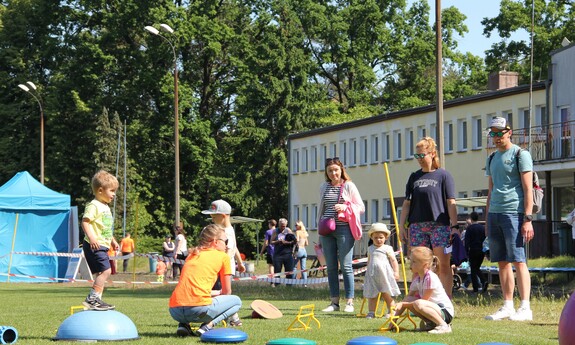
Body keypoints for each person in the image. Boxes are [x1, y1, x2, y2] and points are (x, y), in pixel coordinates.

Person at [484, 116, 534, 321]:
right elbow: (490, 190)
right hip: (494, 213)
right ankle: (507, 305)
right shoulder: (491, 158)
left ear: (509, 132)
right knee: (502, 262)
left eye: (499, 133)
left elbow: (528, 188)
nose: (496, 137)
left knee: (518, 260)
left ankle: (525, 307)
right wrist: (487, 219)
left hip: (514, 212)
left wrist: (528, 218)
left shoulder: (521, 154)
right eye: (492, 134)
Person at [398, 137, 459, 296]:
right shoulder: (414, 177)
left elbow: (451, 202)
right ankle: (418, 299)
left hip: (439, 225)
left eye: (422, 155)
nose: (419, 159)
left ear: (432, 154)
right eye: (416, 156)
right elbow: (407, 203)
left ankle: (446, 302)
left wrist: (455, 226)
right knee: (418, 266)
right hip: (417, 226)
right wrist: (401, 226)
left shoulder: (443, 176)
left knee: (442, 265)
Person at [168, 224, 242, 337]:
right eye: (225, 242)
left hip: (175, 311)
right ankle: (208, 326)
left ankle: (183, 325)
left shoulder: (192, 255)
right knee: (236, 301)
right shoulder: (223, 257)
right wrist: (220, 294)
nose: (227, 246)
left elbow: (193, 288)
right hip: (198, 310)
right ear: (215, 242)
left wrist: (216, 293)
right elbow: (227, 292)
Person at [318, 157, 365, 313]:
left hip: (344, 229)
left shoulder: (349, 186)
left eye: (336, 170)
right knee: (330, 267)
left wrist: (345, 207)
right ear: (326, 172)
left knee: (346, 266)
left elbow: (361, 207)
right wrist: (319, 228)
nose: (333, 173)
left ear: (341, 170)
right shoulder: (324, 187)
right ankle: (334, 302)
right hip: (326, 230)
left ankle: (350, 301)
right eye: (330, 170)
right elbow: (321, 208)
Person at [201, 199, 245, 326]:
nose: (212, 219)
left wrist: (230, 263)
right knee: (222, 293)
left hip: (223, 269)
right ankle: (233, 318)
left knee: (222, 293)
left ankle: (231, 317)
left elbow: (231, 249)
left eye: (214, 217)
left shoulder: (227, 232)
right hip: (219, 267)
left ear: (223, 216)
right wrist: (240, 263)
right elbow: (235, 246)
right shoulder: (223, 229)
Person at [81, 170, 119, 311]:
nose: (114, 194)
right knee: (106, 271)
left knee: (101, 273)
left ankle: (97, 301)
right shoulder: (94, 205)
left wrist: (113, 241)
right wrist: (92, 238)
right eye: (112, 191)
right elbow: (85, 222)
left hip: (103, 245)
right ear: (101, 190)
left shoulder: (105, 207)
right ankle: (92, 299)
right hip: (94, 245)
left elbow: (105, 228)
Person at [394, 246, 455, 334]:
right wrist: (394, 320)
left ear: (425, 265)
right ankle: (431, 323)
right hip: (433, 308)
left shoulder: (430, 277)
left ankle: (443, 325)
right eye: (411, 261)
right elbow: (407, 300)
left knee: (418, 303)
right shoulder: (418, 279)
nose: (410, 265)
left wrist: (403, 304)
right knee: (409, 300)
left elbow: (424, 301)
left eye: (414, 262)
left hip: (445, 312)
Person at [363, 223, 400, 319]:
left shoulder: (387, 248)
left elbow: (393, 260)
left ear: (386, 238)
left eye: (381, 237)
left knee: (386, 293)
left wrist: (396, 272)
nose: (378, 240)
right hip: (373, 275)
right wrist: (367, 272)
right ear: (372, 237)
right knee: (372, 295)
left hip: (385, 275)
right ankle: (371, 312)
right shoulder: (370, 248)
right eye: (376, 238)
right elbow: (369, 261)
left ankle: (391, 310)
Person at [464, 211, 487, 293]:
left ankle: (476, 288)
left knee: (473, 269)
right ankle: (483, 281)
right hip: (481, 250)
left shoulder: (469, 228)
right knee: (477, 268)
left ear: (471, 218)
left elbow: (466, 242)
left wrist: (465, 253)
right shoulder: (482, 228)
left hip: (473, 250)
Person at [270, 218, 296, 285]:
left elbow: (294, 241)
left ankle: (289, 286)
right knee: (277, 271)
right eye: (281, 226)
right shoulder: (275, 231)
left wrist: (286, 242)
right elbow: (271, 242)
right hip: (278, 254)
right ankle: (277, 285)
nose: (282, 228)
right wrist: (278, 241)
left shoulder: (288, 230)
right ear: (279, 225)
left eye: (284, 226)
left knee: (289, 271)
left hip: (288, 254)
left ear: (286, 225)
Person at [260, 219, 277, 284]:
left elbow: (266, 243)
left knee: (271, 266)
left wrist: (262, 251)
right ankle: (277, 280)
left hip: (270, 251)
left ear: (270, 224)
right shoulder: (278, 231)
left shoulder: (268, 232)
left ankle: (272, 280)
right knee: (277, 266)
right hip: (278, 251)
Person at [295, 220, 309, 285]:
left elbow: (297, 241)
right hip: (304, 250)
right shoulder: (304, 232)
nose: (295, 226)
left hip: (299, 249)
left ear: (299, 226)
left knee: (294, 266)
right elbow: (307, 243)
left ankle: (293, 282)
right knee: (303, 268)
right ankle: (305, 283)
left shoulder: (298, 232)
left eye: (296, 225)